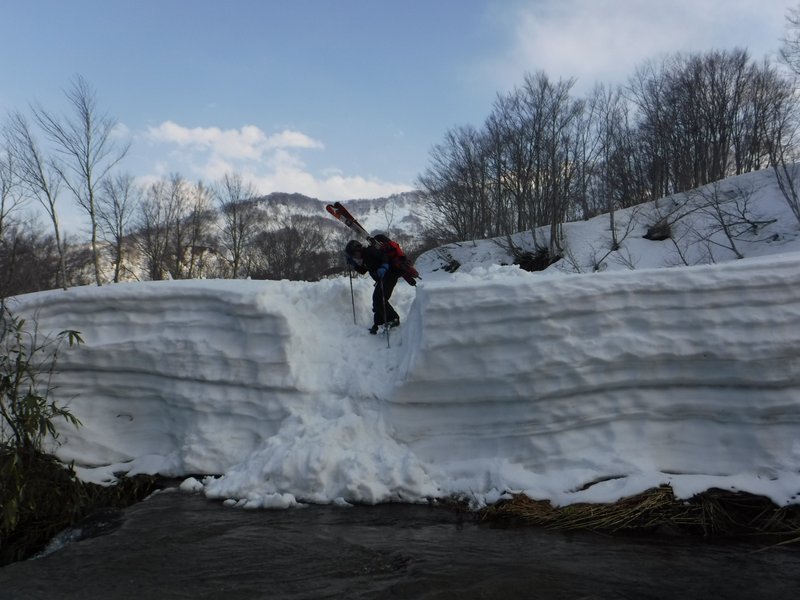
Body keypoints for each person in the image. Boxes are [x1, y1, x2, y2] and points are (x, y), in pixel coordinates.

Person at [345, 239, 404, 334]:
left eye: (354, 254)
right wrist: (354, 264)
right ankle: (378, 323)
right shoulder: (364, 257)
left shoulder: (370, 251)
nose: (355, 256)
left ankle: (394, 319)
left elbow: (384, 255)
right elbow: (364, 270)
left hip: (389, 275)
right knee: (377, 301)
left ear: (358, 249)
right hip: (382, 279)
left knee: (379, 299)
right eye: (352, 255)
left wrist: (384, 266)